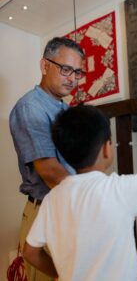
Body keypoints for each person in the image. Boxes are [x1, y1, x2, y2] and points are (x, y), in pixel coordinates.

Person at [23, 104, 137, 281]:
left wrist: (60, 274)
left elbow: (30, 253)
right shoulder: (119, 189)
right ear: (106, 148)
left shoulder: (52, 198)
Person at [9, 37, 86, 281]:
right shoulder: (30, 107)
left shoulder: (64, 110)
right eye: (65, 69)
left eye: (77, 72)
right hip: (46, 211)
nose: (72, 78)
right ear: (44, 66)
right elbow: (51, 172)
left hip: (68, 209)